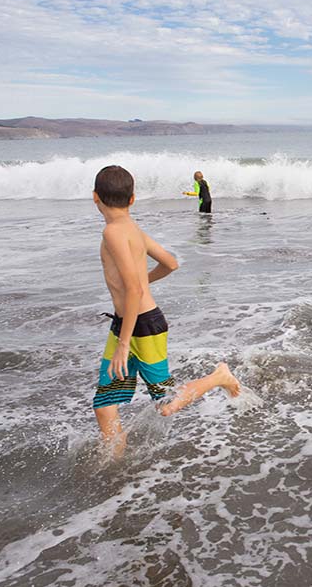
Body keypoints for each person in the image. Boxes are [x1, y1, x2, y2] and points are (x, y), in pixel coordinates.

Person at [93, 165, 239, 457]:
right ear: (132, 199)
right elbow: (170, 263)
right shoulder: (134, 229)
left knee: (167, 404)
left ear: (95, 197)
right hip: (128, 322)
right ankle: (113, 456)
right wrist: (140, 284)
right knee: (105, 401)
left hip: (141, 327)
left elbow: (134, 290)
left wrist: (124, 342)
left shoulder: (112, 232)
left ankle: (219, 376)